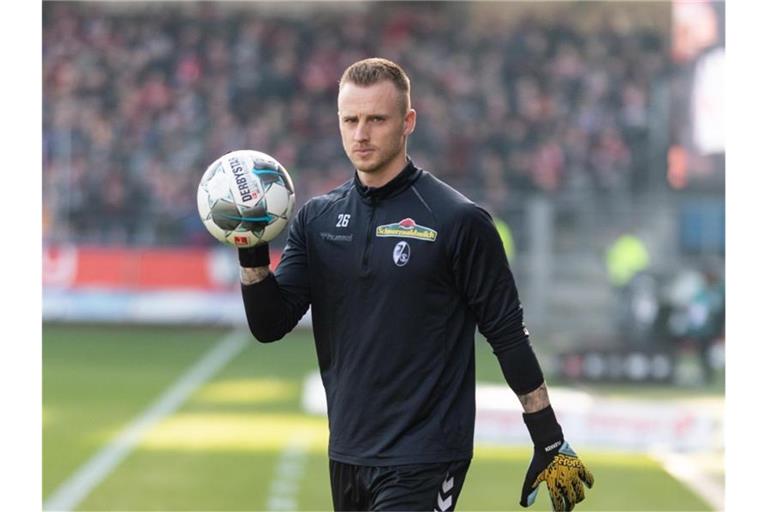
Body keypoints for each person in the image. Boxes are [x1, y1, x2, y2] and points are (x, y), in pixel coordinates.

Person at [238, 57, 593, 511]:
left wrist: (548, 437)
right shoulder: (317, 219)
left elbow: (506, 333)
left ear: (408, 122)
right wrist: (249, 243)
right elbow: (270, 323)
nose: (361, 133)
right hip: (348, 450)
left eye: (376, 119)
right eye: (351, 120)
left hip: (426, 454)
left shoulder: (458, 220)